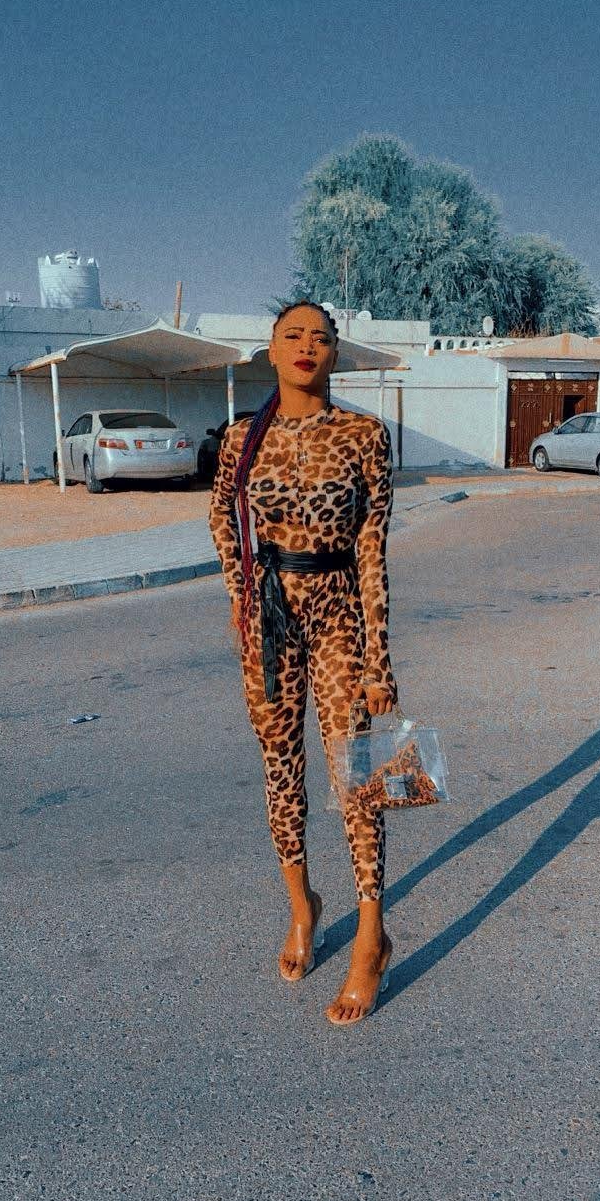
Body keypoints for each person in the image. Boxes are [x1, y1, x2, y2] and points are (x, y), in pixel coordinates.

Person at [208, 301, 397, 1026]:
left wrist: (380, 660)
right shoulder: (240, 438)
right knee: (280, 765)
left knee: (358, 773)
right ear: (271, 349)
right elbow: (222, 515)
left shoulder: (364, 435)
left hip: (340, 610)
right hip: (270, 616)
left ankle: (371, 938)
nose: (307, 346)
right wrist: (239, 595)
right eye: (293, 335)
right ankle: (302, 906)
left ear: (336, 353)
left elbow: (373, 548)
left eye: (321, 337)